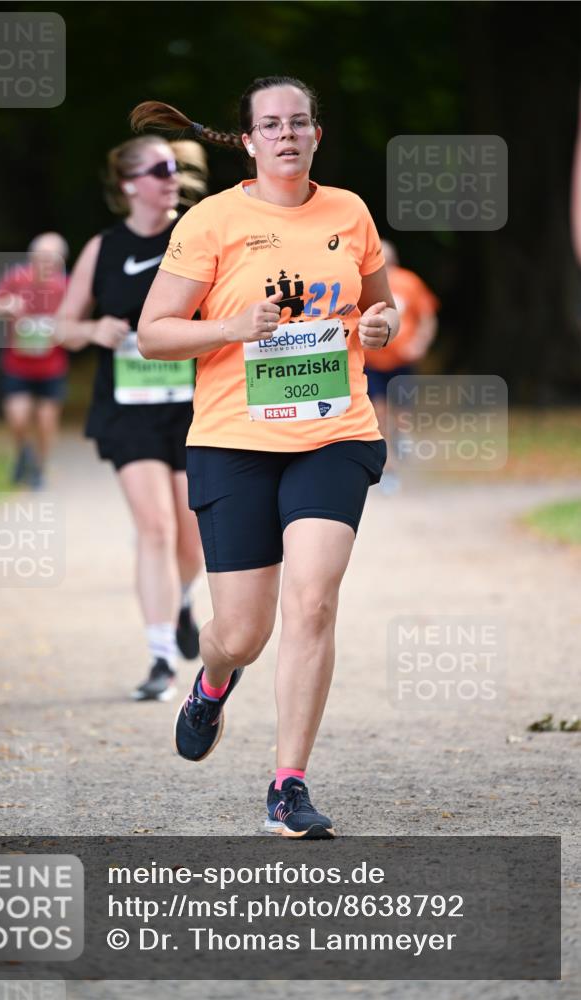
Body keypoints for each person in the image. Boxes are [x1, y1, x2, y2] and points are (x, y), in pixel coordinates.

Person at [135, 76, 401, 839]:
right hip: (233, 441)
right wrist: (229, 329)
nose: (287, 134)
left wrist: (380, 325)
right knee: (242, 631)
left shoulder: (347, 211)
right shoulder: (212, 221)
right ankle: (214, 680)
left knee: (312, 601)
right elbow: (154, 332)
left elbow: (376, 306)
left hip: (334, 432)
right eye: (270, 125)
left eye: (299, 123)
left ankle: (288, 785)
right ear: (247, 141)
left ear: (317, 134)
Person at [56, 136, 204, 702]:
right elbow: (64, 326)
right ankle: (161, 658)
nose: (172, 176)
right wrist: (94, 330)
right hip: (127, 410)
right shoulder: (104, 246)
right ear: (127, 184)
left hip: (193, 407)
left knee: (192, 542)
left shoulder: (195, 236)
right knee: (155, 528)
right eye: (158, 168)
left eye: (176, 167)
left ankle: (183, 597)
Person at [0, 233, 69, 489]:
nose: (45, 262)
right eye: (40, 256)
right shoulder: (16, 278)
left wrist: (64, 327)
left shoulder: (66, 286)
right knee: (18, 418)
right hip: (17, 364)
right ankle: (24, 454)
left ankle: (39, 470)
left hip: (52, 366)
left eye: (51, 257)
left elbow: (79, 320)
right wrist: (6, 305)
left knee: (45, 422)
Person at [362, 241, 439, 492]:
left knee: (401, 414)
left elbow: (428, 317)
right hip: (373, 362)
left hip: (402, 362)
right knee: (380, 415)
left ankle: (401, 438)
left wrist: (420, 343)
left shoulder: (409, 282)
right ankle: (389, 468)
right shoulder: (362, 284)